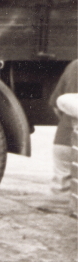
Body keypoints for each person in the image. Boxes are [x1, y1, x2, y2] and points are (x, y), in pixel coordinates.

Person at [50, 59, 77, 196]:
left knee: (61, 194)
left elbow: (56, 105)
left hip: (62, 140)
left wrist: (67, 123)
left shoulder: (73, 65)